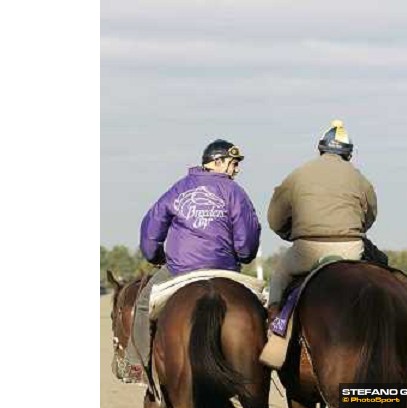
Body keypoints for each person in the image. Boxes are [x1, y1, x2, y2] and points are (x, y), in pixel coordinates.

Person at [122, 139, 261, 383]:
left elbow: (151, 229)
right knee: (260, 308)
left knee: (143, 304)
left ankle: (136, 365)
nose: (236, 169)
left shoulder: (178, 189)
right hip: (224, 271)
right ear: (216, 162)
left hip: (179, 270)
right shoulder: (236, 193)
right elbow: (247, 237)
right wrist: (243, 257)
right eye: (233, 163)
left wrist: (155, 257)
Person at [266, 119, 378, 320]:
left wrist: (289, 234)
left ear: (320, 149)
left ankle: (275, 326)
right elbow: (370, 216)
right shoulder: (360, 178)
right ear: (348, 154)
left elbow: (275, 219)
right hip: (351, 250)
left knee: (279, 277)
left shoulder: (298, 174)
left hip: (307, 250)